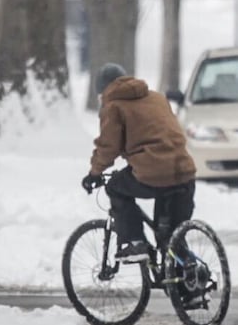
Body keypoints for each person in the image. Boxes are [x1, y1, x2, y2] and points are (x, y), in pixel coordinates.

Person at [83, 63, 197, 264]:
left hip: (153, 174)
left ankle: (135, 242)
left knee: (115, 187)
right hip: (184, 172)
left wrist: (94, 173)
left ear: (104, 89)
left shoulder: (113, 106)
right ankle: (191, 290)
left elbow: (108, 147)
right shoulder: (157, 98)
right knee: (171, 240)